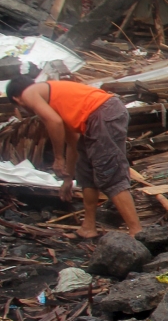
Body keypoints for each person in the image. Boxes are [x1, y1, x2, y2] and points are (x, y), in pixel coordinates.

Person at [6, 75, 140, 238]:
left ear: (16, 99)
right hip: (94, 119)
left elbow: (54, 122)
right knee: (87, 173)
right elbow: (73, 144)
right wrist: (68, 179)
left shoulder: (29, 93)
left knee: (109, 173)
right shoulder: (56, 102)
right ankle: (88, 227)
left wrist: (58, 158)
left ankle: (136, 231)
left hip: (103, 113)